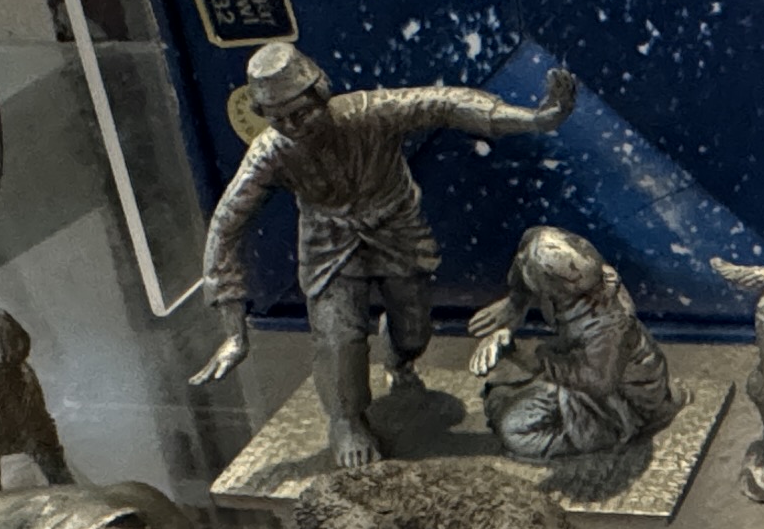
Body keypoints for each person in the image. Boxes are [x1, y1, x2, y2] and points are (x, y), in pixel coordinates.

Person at [193, 42, 577, 469]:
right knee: (337, 335)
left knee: (413, 332)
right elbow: (226, 225)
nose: (293, 127)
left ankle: (398, 357)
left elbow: (445, 104)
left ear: (321, 94)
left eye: (301, 113)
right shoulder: (271, 152)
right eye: (278, 119)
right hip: (328, 242)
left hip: (396, 228)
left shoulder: (370, 113)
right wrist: (234, 329)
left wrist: (534, 119)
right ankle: (346, 419)